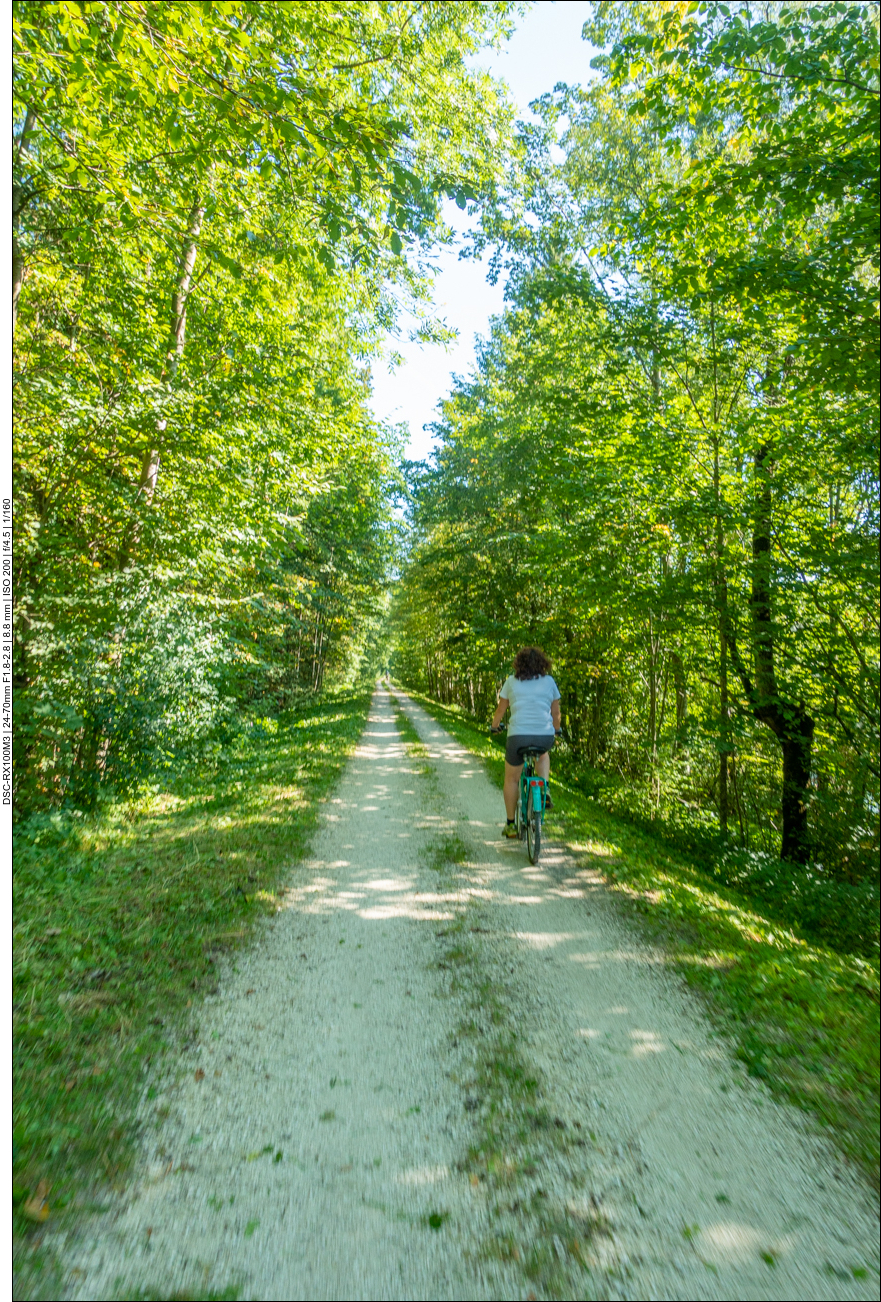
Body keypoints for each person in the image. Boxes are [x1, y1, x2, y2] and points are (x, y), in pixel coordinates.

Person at [490, 646, 562, 838]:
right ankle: (544, 787)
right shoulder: (549, 682)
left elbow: (500, 711)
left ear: (518, 664)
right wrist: (556, 729)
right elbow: (556, 713)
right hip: (544, 736)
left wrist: (494, 726)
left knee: (512, 778)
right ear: (543, 663)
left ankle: (511, 824)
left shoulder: (511, 682)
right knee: (543, 754)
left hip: (518, 736)